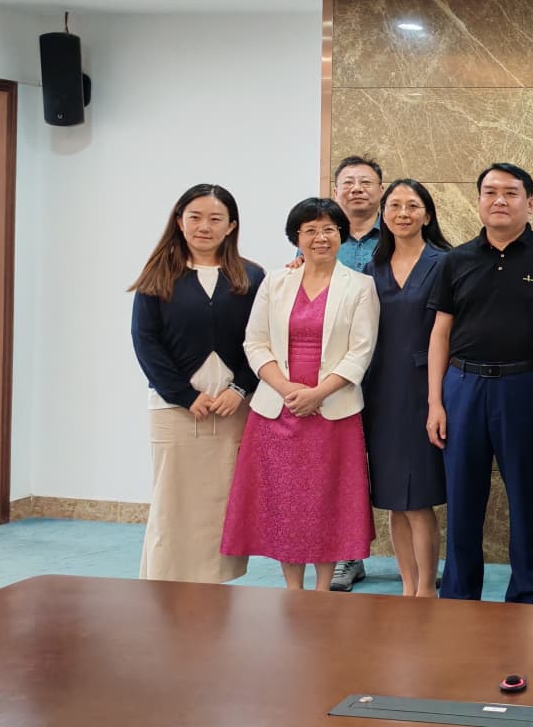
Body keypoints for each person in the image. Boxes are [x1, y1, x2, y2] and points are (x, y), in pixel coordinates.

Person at [221, 198, 379, 590]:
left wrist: (318, 394)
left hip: (334, 409)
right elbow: (255, 342)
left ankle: (322, 591)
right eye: (310, 230)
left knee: (327, 502)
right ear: (296, 237)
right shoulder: (275, 281)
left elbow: (361, 351)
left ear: (341, 235)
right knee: (285, 503)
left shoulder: (360, 286)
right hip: (278, 408)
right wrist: (286, 388)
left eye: (329, 229)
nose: (320, 237)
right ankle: (293, 590)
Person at [427, 162, 533, 603]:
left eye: (510, 192)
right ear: (479, 201)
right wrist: (435, 401)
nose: (499, 200)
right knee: (462, 498)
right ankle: (459, 596)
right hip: (463, 386)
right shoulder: (456, 260)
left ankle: (527, 593)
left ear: (530, 202)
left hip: (527, 385)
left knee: (527, 496)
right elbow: (440, 334)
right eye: (490, 192)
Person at [130, 184, 265, 583]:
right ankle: (164, 586)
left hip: (232, 409)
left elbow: (262, 339)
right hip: (175, 410)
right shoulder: (158, 275)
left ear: (231, 226)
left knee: (220, 502)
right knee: (172, 501)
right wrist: (185, 395)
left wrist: (239, 389)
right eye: (195, 217)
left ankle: (213, 586)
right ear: (179, 221)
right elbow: (146, 342)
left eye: (215, 218)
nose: (204, 226)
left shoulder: (252, 276)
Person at [362, 179, 452, 597]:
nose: (403, 213)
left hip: (425, 389)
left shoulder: (444, 263)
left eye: (412, 205)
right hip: (380, 392)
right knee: (394, 499)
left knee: (418, 497)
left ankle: (426, 590)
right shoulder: (372, 269)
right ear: (383, 215)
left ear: (427, 214)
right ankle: (407, 587)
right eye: (394, 205)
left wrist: (438, 399)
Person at [328, 155, 384, 590]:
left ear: (380, 190)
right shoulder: (321, 239)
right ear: (335, 191)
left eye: (366, 182)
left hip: (391, 367)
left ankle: (416, 557)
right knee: (341, 467)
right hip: (336, 374)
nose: (357, 189)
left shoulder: (400, 234)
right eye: (348, 182)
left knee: (400, 465)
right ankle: (346, 556)